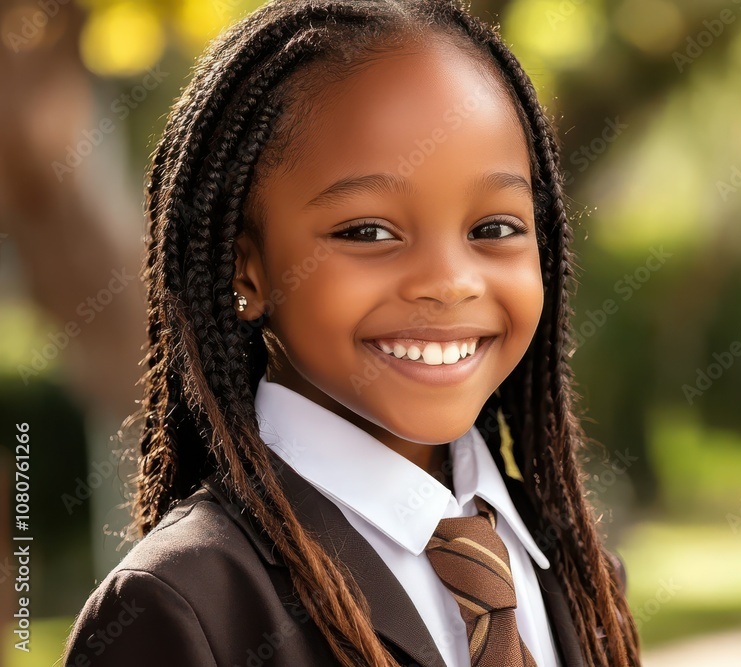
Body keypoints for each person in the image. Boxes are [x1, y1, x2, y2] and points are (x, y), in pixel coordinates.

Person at [61, 0, 641, 665]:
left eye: (494, 228)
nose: (449, 282)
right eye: (368, 232)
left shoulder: (579, 576)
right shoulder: (180, 607)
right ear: (244, 267)